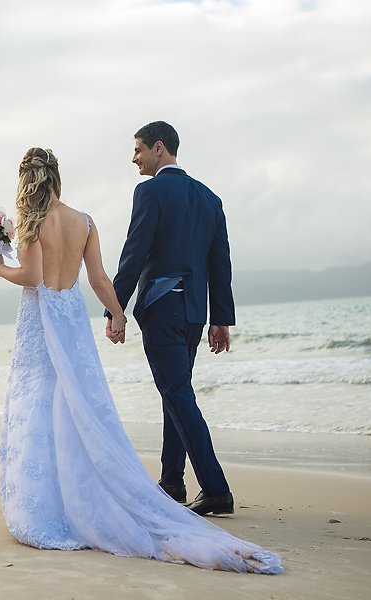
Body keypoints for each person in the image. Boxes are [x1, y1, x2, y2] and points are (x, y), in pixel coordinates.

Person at [0, 147, 282, 574]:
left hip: (42, 323)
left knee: (39, 404)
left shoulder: (33, 222)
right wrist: (119, 313)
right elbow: (100, 278)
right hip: (72, 324)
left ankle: (48, 504)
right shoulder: (83, 221)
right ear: (56, 177)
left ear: (26, 181)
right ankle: (113, 488)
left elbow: (30, 278)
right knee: (79, 407)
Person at [105, 121, 235, 517]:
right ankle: (173, 482)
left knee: (177, 394)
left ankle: (215, 488)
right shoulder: (210, 198)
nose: (134, 159)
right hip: (195, 312)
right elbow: (220, 264)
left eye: (138, 150)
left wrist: (116, 308)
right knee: (175, 393)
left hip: (163, 307)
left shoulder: (150, 191)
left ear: (159, 148)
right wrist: (220, 318)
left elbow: (134, 252)